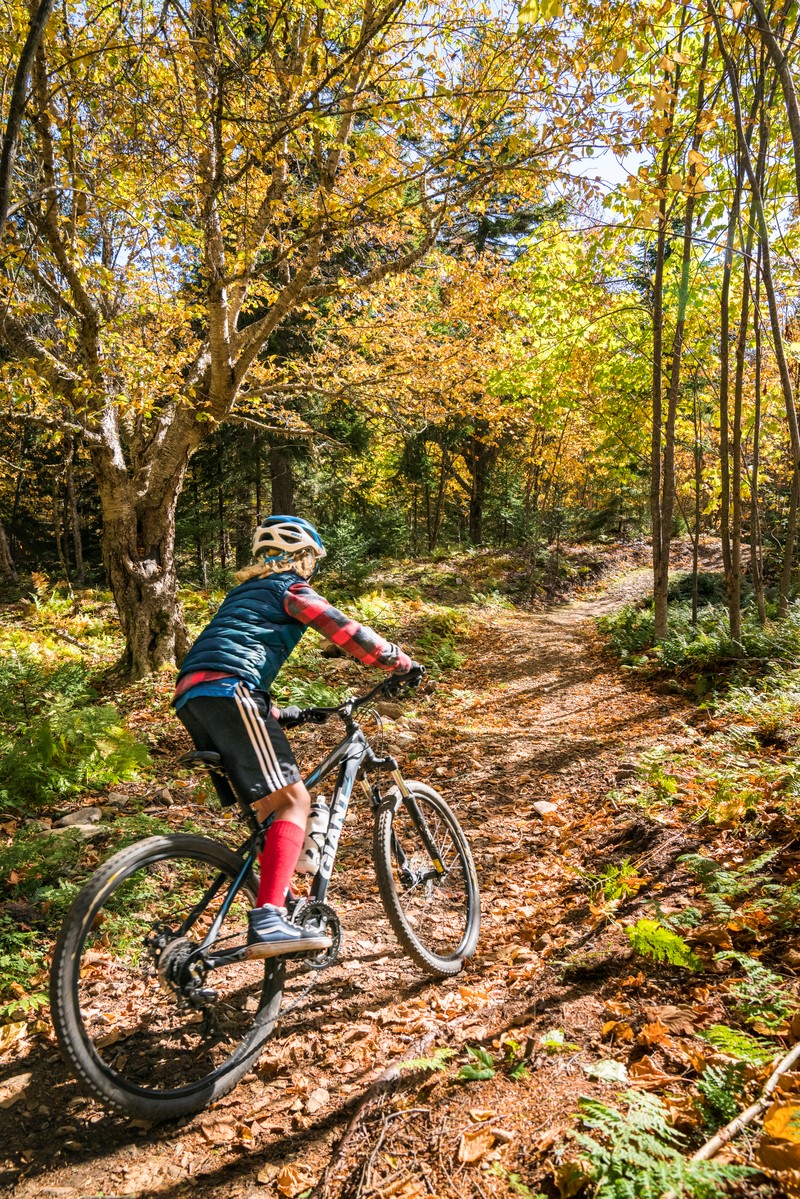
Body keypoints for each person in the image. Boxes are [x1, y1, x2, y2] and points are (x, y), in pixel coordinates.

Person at [173, 515, 423, 959]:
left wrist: (278, 710)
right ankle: (269, 916)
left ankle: (284, 902)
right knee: (295, 801)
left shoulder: (240, 595)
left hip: (194, 696)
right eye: (310, 559)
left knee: (272, 811)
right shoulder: (289, 589)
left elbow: (229, 650)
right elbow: (346, 631)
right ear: (301, 558)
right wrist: (398, 660)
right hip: (232, 691)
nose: (310, 568)